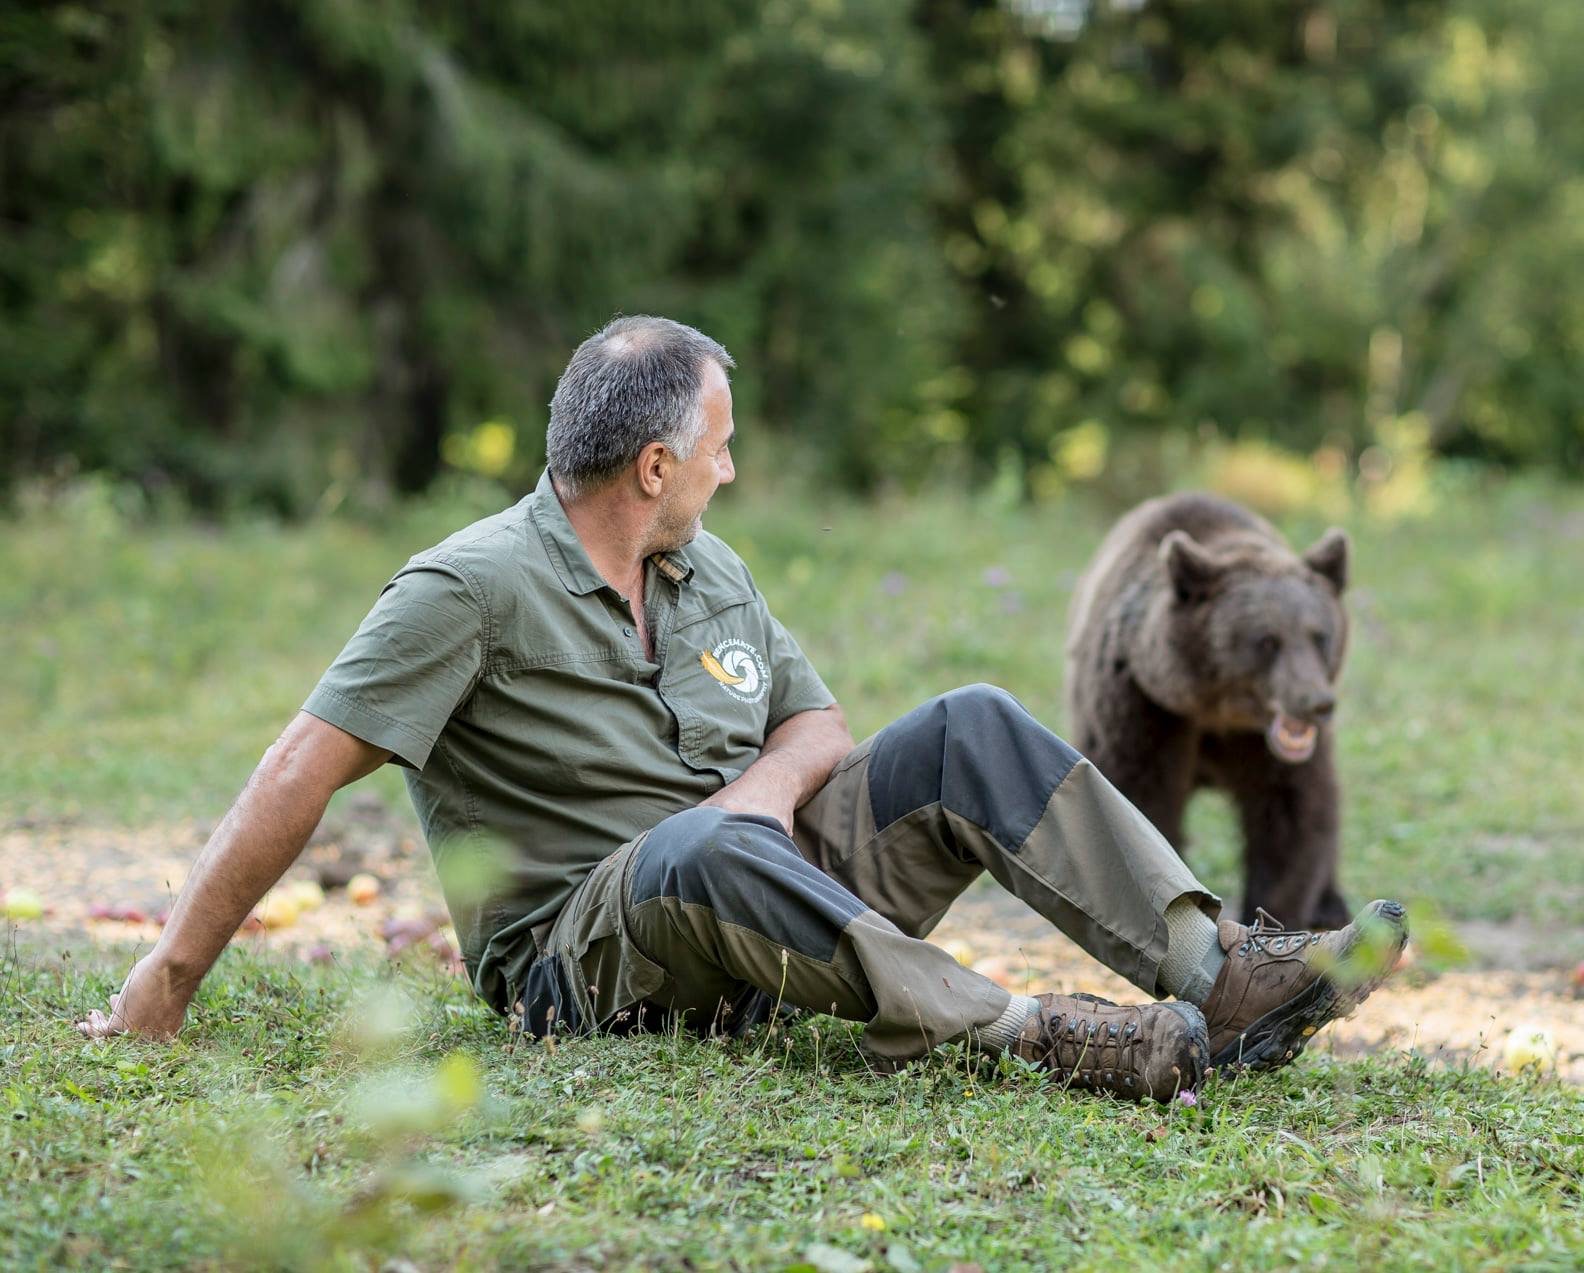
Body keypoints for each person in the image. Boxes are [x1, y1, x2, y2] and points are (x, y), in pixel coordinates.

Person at [78, 316, 1407, 1102]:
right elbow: (299, 770)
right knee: (700, 848)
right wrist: (167, 975)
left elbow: (818, 729)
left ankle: (1214, 973)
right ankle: (1045, 1032)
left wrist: (762, 799)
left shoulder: (702, 566)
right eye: (720, 447)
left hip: (765, 889)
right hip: (586, 964)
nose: (735, 465)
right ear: (654, 463)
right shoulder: (466, 589)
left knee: (971, 723)